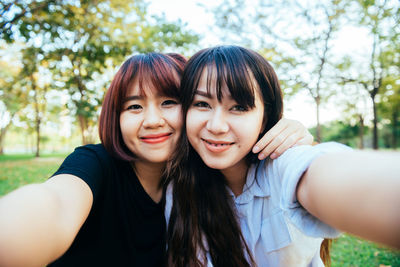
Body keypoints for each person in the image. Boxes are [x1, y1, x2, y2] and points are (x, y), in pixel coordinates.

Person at [0, 52, 312, 267]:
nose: (152, 120)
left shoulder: (203, 179)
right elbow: (53, 204)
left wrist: (291, 133)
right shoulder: (96, 165)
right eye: (134, 106)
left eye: (169, 102)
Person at [165, 45, 400, 267]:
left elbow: (326, 175)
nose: (216, 126)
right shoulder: (178, 188)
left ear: (264, 119)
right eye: (202, 104)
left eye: (238, 107)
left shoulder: (281, 165)